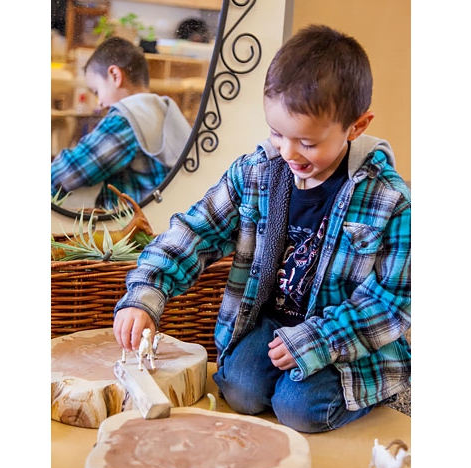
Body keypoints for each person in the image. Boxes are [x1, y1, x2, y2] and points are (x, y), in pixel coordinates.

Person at [113, 24, 411, 433]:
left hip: (346, 341)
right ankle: (285, 379)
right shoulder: (256, 173)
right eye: (276, 133)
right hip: (274, 323)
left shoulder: (389, 199)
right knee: (240, 388)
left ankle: (370, 390)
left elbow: (392, 303)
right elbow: (195, 231)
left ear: (356, 127)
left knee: (299, 407)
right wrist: (146, 291)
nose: (287, 151)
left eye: (307, 142)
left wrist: (316, 341)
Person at [51, 36, 192, 209]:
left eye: (97, 91)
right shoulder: (163, 108)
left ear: (115, 75)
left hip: (136, 231)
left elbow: (69, 172)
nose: (99, 103)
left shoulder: (125, 119)